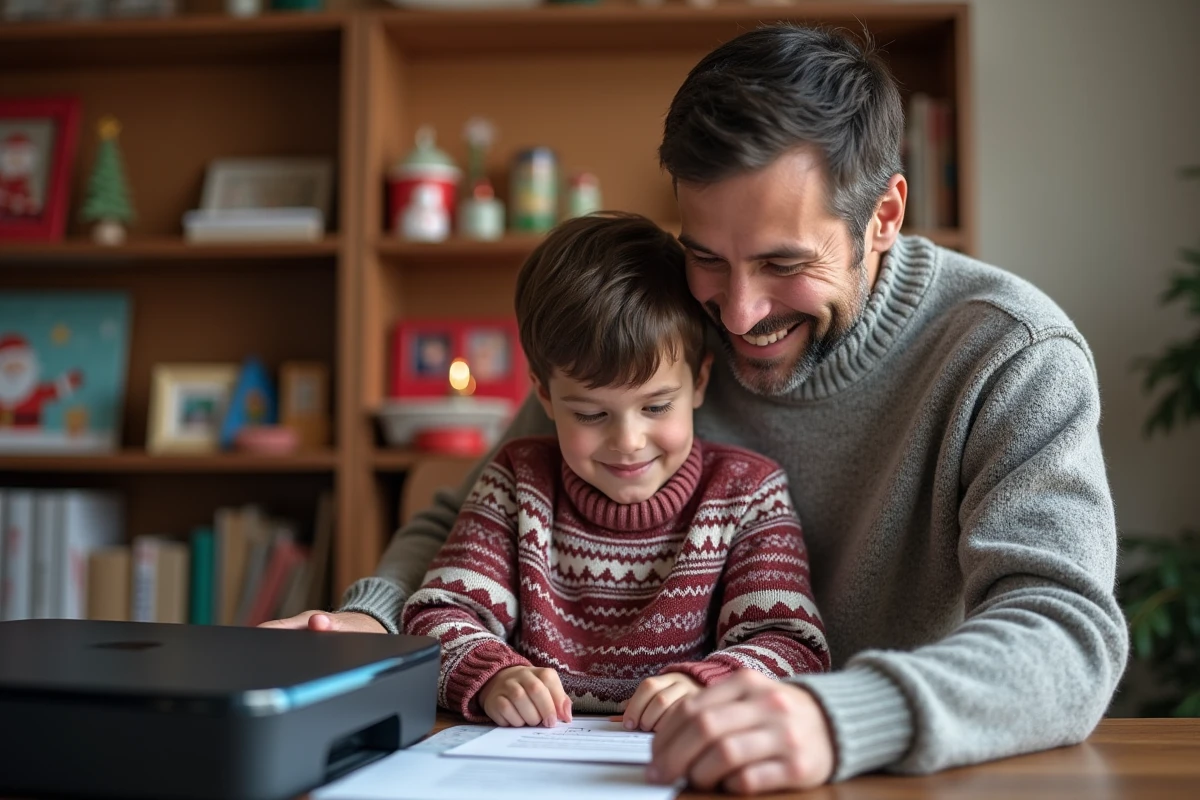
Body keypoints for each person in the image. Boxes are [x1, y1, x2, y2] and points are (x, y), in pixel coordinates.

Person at [264, 24, 1128, 794]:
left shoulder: (1011, 356)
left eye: (784, 263)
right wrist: (368, 621)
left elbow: (1067, 634)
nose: (740, 316)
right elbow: (469, 515)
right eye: (708, 255)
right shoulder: (669, 319)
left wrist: (838, 718)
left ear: (884, 217)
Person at [399, 213, 829, 730]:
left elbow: (792, 643)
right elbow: (436, 616)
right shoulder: (516, 482)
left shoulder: (748, 494)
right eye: (591, 414)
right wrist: (492, 676)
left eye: (655, 407)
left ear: (697, 383)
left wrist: (707, 682)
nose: (627, 442)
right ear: (545, 396)